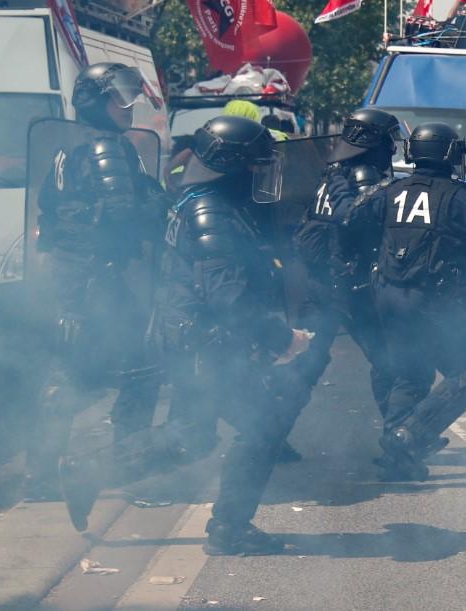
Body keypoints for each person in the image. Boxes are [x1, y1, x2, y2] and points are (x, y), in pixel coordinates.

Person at [61, 114, 311, 553]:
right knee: (265, 423)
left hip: (193, 338)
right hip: (205, 344)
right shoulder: (211, 214)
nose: (263, 173)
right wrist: (281, 339)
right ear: (234, 167)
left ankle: (92, 471)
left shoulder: (209, 203)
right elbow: (228, 296)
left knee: (192, 435)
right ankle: (229, 530)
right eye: (256, 164)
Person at [23, 63, 166, 502]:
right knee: (143, 369)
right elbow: (125, 217)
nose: (129, 107)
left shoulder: (68, 152)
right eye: (117, 98)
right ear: (94, 102)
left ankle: (42, 473)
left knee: (67, 369)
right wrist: (161, 208)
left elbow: (49, 213)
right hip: (99, 280)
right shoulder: (108, 150)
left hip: (71, 278)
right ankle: (124, 467)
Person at [347, 122, 466, 481]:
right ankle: (411, 435)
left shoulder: (388, 191)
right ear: (452, 155)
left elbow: (349, 228)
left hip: (386, 295)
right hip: (432, 300)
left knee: (409, 372)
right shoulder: (464, 197)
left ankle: (396, 456)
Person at [278, 108, 402, 451]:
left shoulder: (333, 173)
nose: (393, 148)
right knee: (388, 362)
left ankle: (269, 435)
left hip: (320, 284)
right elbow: (358, 224)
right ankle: (401, 438)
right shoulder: (361, 175)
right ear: (372, 141)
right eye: (389, 140)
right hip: (350, 288)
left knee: (305, 361)